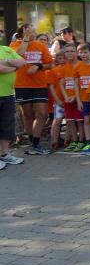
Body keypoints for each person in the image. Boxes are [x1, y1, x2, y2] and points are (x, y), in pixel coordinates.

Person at [11, 24, 54, 155]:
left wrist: (38, 66)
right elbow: (18, 56)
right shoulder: (14, 44)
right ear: (22, 32)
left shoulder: (40, 46)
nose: (33, 33)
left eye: (34, 31)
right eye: (30, 31)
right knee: (28, 115)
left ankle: (36, 143)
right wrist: (26, 39)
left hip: (39, 85)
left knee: (42, 114)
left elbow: (50, 64)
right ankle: (32, 142)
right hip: (22, 85)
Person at [0, 43, 27, 168]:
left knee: (7, 125)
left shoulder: (6, 49)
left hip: (8, 94)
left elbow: (22, 62)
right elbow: (1, 69)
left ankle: (5, 154)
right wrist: (14, 67)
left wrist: (6, 61)